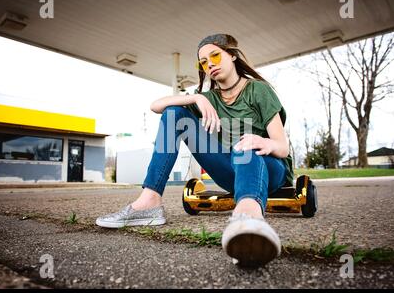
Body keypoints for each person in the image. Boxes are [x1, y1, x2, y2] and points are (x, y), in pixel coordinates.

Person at [96, 34, 294, 267]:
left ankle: (249, 219)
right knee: (174, 114)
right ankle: (149, 203)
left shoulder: (258, 90)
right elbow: (155, 106)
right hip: (230, 170)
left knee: (244, 146)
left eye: (215, 55)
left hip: (267, 169)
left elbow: (282, 147)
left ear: (231, 55)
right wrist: (197, 98)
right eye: (203, 61)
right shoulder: (209, 99)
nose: (209, 63)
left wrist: (264, 142)